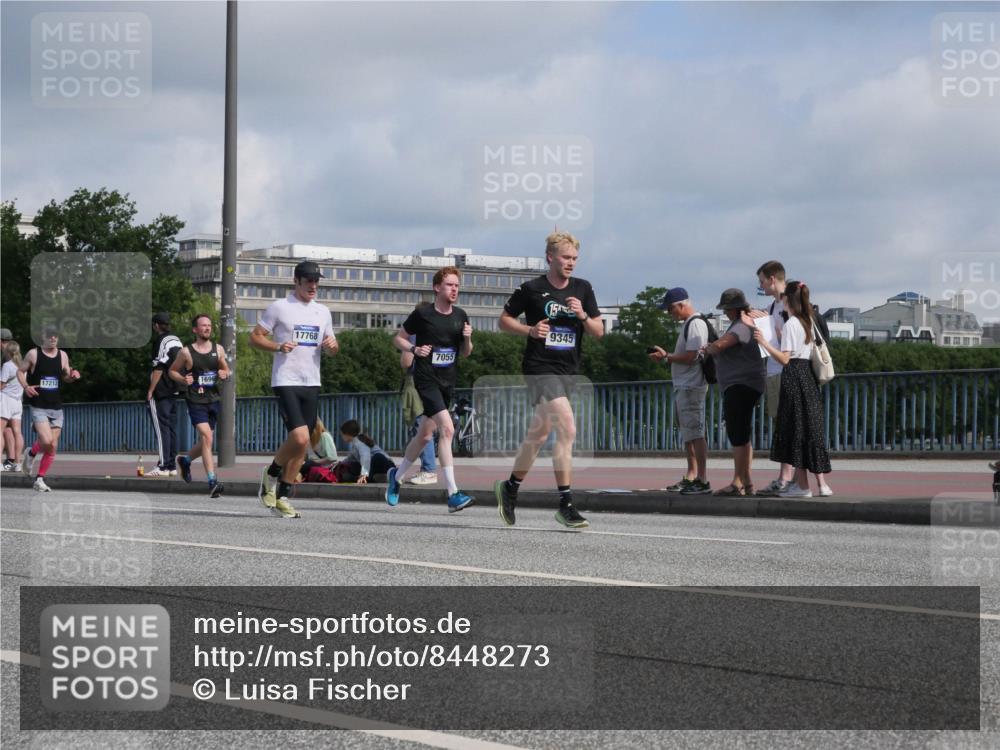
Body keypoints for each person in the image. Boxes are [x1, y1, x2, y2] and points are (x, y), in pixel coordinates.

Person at [494, 231, 603, 529]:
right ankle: (566, 504)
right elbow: (503, 321)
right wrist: (528, 331)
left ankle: (510, 487)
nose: (571, 263)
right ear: (550, 257)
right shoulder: (532, 289)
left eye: (575, 259)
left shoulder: (583, 288)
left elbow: (598, 331)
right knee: (567, 428)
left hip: (568, 369)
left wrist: (582, 315)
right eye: (566, 258)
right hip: (539, 367)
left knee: (539, 436)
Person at [250, 260, 338, 519]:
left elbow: (332, 348)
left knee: (302, 447)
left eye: (316, 281)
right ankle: (272, 473)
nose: (313, 285)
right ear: (296, 281)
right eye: (308, 280)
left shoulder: (323, 312)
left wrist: (333, 347)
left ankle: (283, 496)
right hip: (286, 380)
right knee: (299, 438)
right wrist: (277, 347)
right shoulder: (279, 307)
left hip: (312, 381)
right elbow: (254, 337)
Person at [385, 266, 474, 512]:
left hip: (448, 381)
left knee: (424, 435)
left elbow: (466, 353)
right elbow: (398, 338)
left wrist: (467, 337)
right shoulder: (423, 314)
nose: (454, 289)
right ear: (437, 288)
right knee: (447, 429)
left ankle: (397, 476)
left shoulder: (460, 315)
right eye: (449, 285)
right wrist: (414, 350)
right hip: (426, 379)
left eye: (457, 285)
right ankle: (453, 493)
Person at [751, 261, 833, 497]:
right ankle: (820, 484)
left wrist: (765, 342)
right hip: (808, 376)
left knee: (794, 430)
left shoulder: (791, 324)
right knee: (811, 429)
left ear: (788, 300)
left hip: (792, 376)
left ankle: (801, 486)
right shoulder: (808, 320)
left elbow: (786, 358)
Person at [700, 289, 765, 497]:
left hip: (740, 385)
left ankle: (740, 482)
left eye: (727, 309)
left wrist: (709, 348)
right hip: (748, 384)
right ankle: (745, 482)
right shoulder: (748, 322)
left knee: (737, 435)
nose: (726, 313)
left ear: (734, 309)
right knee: (743, 435)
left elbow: (722, 344)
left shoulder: (741, 326)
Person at [649, 287, 711, 495]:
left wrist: (667, 356)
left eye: (670, 309)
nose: (669, 313)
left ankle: (701, 478)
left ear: (682, 304)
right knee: (688, 433)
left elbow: (692, 356)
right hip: (685, 386)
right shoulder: (689, 324)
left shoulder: (695, 324)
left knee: (696, 432)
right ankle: (692, 475)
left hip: (692, 386)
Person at [169, 314, 230, 498]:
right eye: (203, 326)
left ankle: (185, 460)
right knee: (207, 435)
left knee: (207, 440)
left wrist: (224, 373)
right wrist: (183, 378)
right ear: (195, 329)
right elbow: (172, 371)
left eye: (209, 325)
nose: (207, 328)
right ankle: (212, 481)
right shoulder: (186, 352)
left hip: (213, 399)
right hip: (195, 399)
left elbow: (226, 369)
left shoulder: (218, 349)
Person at [17, 326, 82, 492]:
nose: (53, 339)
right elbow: (20, 371)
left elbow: (66, 376)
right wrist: (25, 386)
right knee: (46, 441)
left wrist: (73, 377)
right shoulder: (34, 354)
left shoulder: (63, 355)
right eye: (50, 336)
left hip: (56, 406)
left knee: (52, 446)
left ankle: (39, 479)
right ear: (43, 338)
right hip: (38, 405)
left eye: (56, 336)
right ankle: (31, 453)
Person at [145, 312, 183, 477]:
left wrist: (151, 389)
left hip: (161, 390)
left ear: (155, 325)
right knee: (171, 428)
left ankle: (162, 466)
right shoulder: (176, 340)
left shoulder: (160, 341)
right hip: (175, 388)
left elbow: (159, 367)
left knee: (161, 429)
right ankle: (171, 465)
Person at [400, 340, 437, 485]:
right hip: (436, 380)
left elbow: (406, 362)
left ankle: (429, 470)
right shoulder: (438, 331)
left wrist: (405, 348)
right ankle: (424, 469)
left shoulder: (415, 333)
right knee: (424, 426)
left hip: (418, 381)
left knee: (421, 427)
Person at [1, 342, 25, 472]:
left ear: (8, 352)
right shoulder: (22, 366)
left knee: (0, 430)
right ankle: (17, 463)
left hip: (6, 400)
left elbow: (1, 385)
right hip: (18, 401)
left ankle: (0, 463)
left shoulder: (7, 365)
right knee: (17, 432)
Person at [1, 328, 16, 468]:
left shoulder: (6, 357)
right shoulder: (16, 353)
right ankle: (12, 459)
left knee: (2, 429)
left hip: (6, 397)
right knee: (9, 428)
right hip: (16, 397)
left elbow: (2, 381)